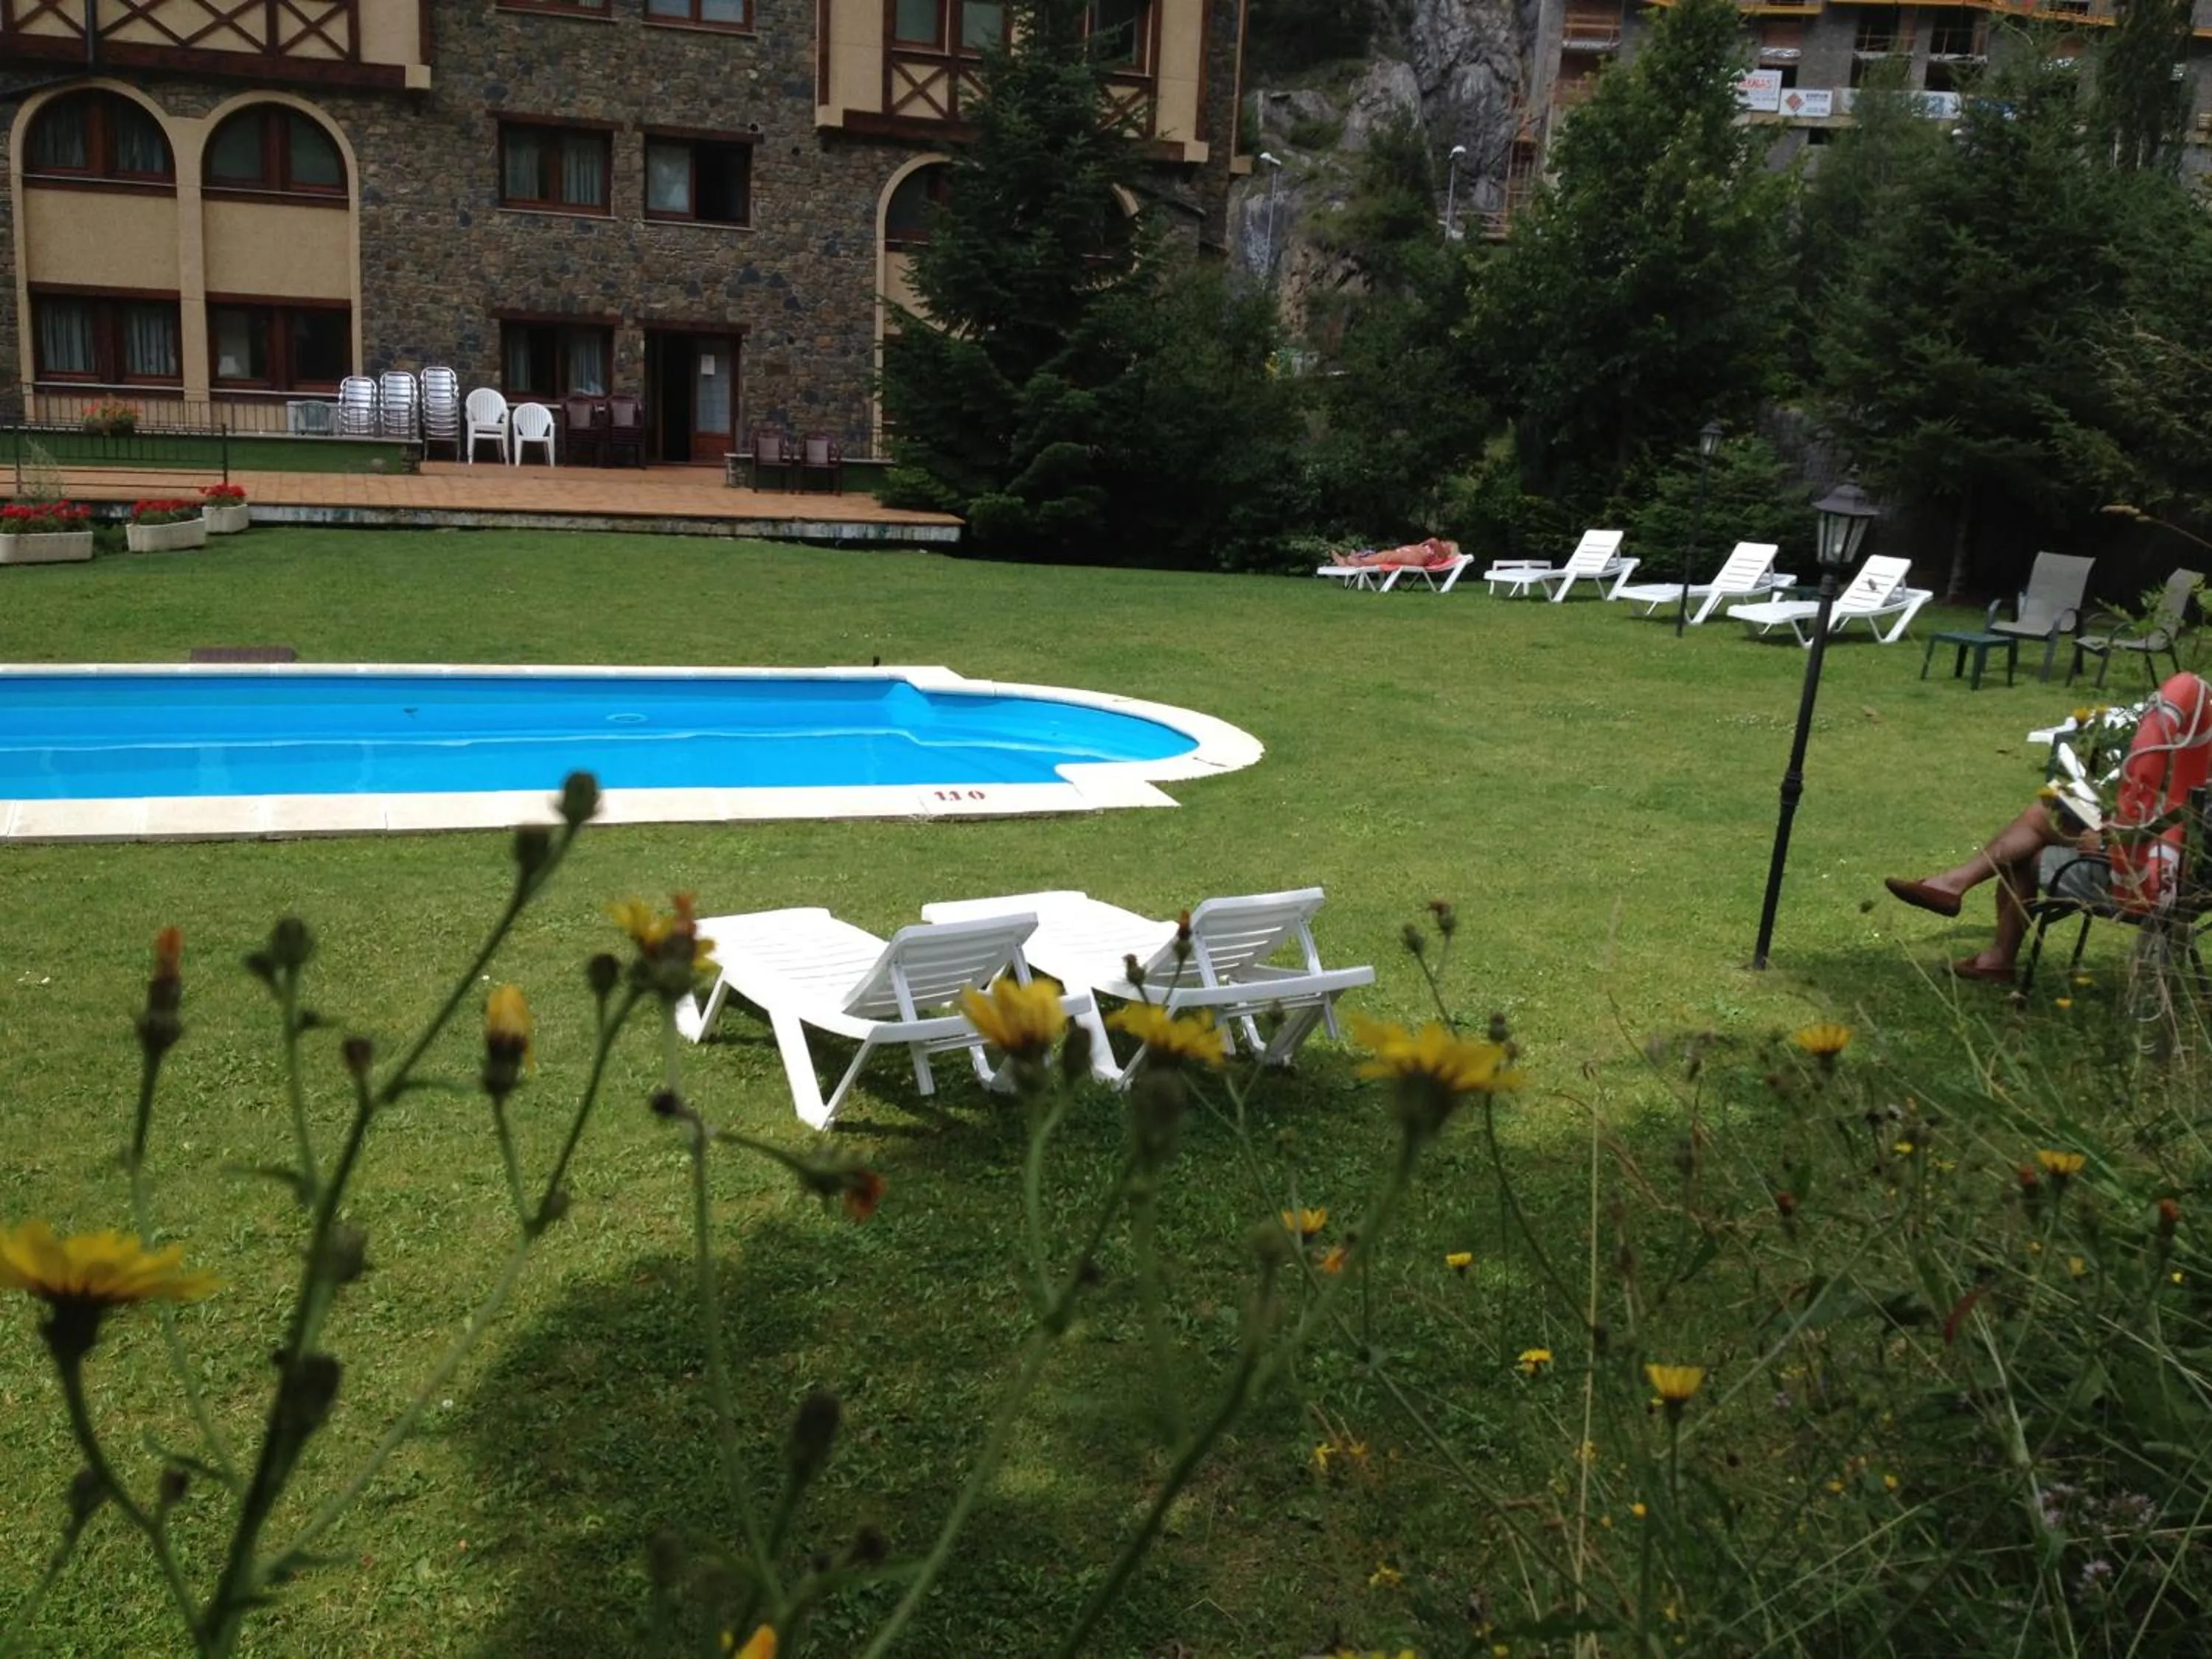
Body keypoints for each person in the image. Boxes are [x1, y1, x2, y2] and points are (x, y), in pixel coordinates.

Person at [1886, 672, 2212, 983]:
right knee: (2055, 808)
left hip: (2147, 881)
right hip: (2177, 869)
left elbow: (2177, 834)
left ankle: (1969, 910)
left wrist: (2104, 844)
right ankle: (1971, 916)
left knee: (2031, 846)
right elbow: (2179, 816)